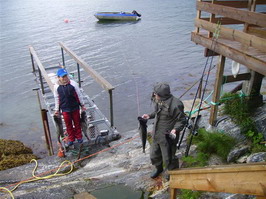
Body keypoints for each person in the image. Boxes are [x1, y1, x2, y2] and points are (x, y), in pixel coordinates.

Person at [142, 82, 186, 179]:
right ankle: (158, 168)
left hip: (167, 137)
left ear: (162, 95)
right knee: (154, 155)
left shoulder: (176, 104)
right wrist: (149, 116)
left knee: (168, 158)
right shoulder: (158, 100)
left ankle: (172, 172)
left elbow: (182, 120)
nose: (154, 95)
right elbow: (157, 112)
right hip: (156, 134)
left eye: (156, 94)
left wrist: (175, 130)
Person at [54, 68, 86, 147]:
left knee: (77, 122)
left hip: (75, 107)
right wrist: (56, 109)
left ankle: (79, 137)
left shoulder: (73, 84)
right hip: (65, 109)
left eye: (66, 76)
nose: (65, 78)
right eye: (63, 77)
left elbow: (79, 95)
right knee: (68, 124)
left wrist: (82, 105)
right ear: (58, 77)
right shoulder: (56, 87)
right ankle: (71, 138)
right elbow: (57, 98)